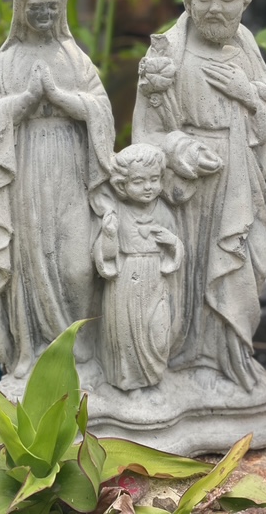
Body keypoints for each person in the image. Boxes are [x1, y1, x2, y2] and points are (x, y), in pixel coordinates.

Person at [132, 0, 266, 391]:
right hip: (187, 190)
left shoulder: (247, 46)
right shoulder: (166, 55)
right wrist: (180, 149)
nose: (216, 9)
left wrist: (246, 94)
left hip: (238, 179)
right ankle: (179, 363)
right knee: (185, 273)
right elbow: (145, 134)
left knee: (236, 268)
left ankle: (228, 360)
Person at [0, 0, 115, 379]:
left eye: (52, 7)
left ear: (62, 8)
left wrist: (60, 97)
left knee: (77, 264)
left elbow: (102, 109)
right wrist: (25, 101)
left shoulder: (74, 57)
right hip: (27, 170)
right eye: (36, 8)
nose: (44, 15)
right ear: (21, 9)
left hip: (71, 166)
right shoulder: (8, 62)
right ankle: (32, 350)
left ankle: (81, 340)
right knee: (29, 260)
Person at [93, 143, 184, 390]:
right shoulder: (117, 212)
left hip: (156, 279)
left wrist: (172, 242)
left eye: (154, 179)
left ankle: (153, 379)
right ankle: (128, 384)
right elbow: (106, 257)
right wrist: (109, 234)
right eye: (138, 181)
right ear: (122, 185)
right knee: (125, 335)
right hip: (126, 281)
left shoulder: (164, 211)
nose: (148, 187)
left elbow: (176, 250)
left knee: (158, 331)